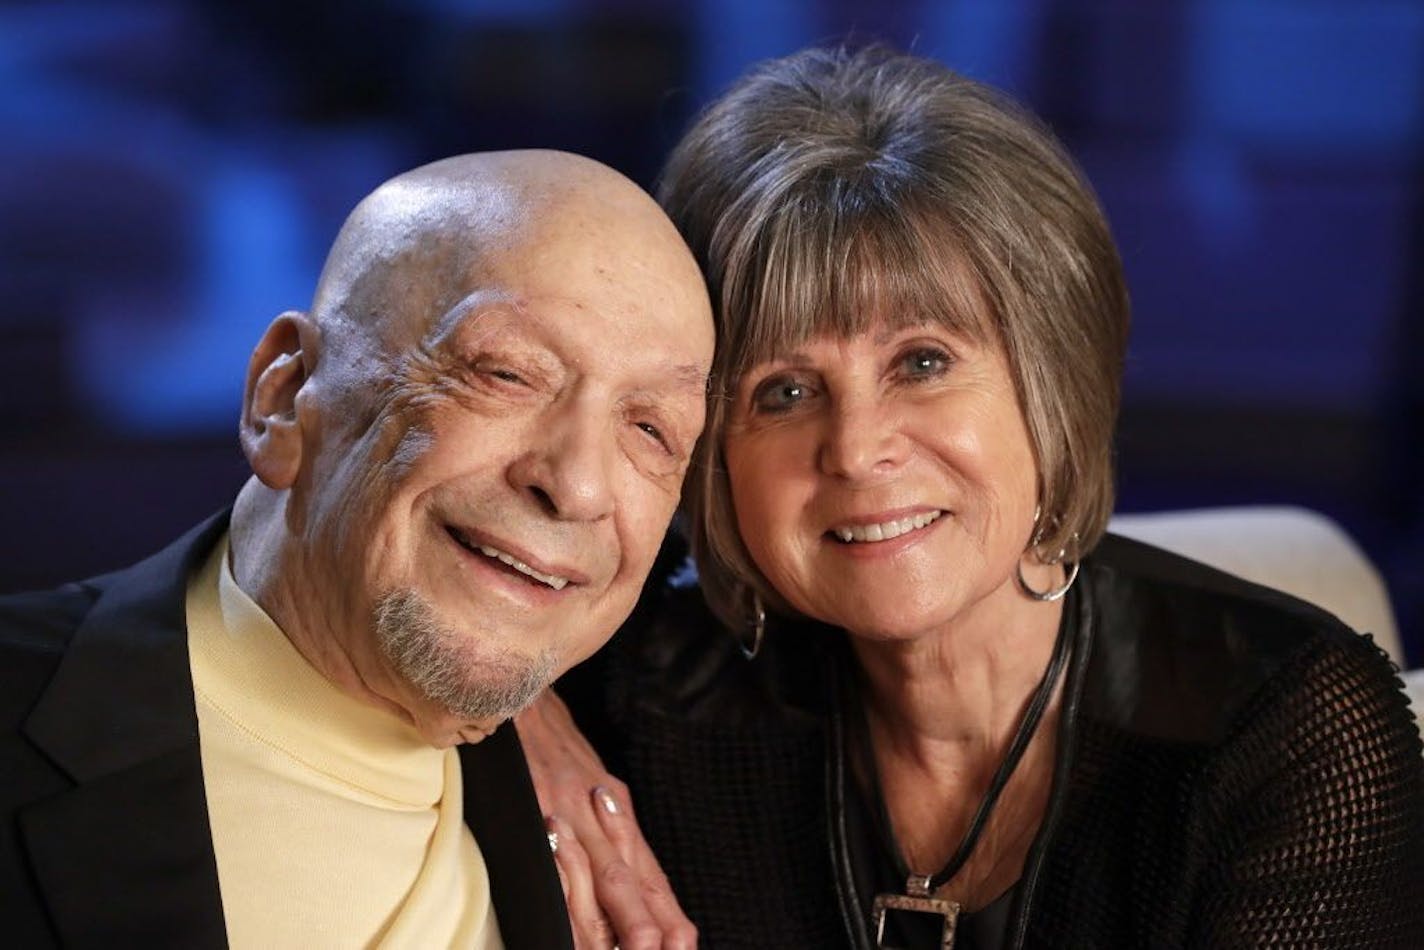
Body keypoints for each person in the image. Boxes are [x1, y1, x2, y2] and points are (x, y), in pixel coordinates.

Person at [520, 47, 1424, 948]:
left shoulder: (1288, 734)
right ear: (711, 449)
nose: (858, 450)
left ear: (1051, 379)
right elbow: (410, 568)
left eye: (922, 362)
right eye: (784, 393)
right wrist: (521, 719)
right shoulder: (653, 687)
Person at [0, 150, 714, 948]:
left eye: (651, 430)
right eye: (507, 373)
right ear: (283, 396)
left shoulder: (668, 785)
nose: (579, 485)